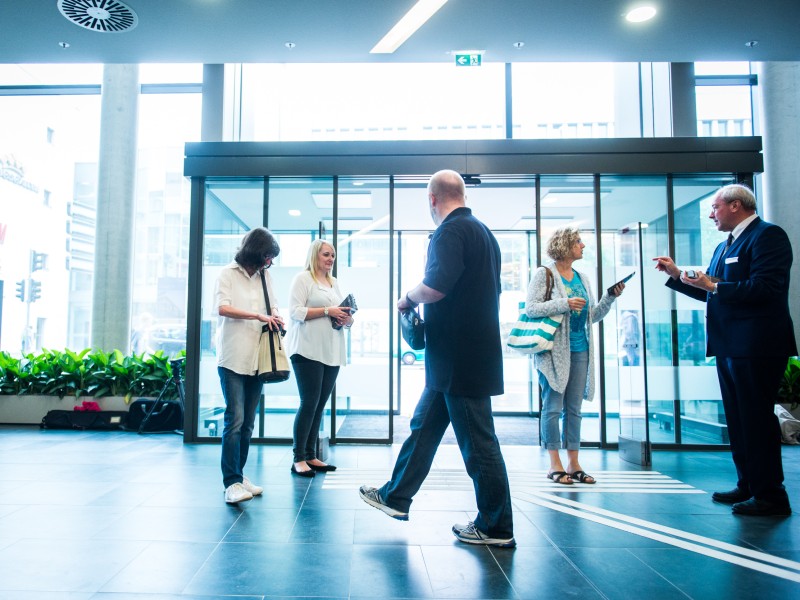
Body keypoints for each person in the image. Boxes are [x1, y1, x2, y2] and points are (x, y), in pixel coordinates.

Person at [359, 169, 515, 548]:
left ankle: (497, 526)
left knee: (479, 443)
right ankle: (396, 496)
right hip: (457, 358)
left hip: (459, 359)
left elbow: (436, 286)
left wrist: (407, 298)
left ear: (432, 199)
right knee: (424, 426)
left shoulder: (449, 231)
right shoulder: (483, 232)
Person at [654, 183, 796, 517]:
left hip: (757, 345)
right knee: (738, 419)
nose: (710, 213)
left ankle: (771, 496)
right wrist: (678, 276)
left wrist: (714, 284)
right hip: (729, 345)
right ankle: (748, 484)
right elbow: (713, 291)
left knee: (757, 419)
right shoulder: (724, 246)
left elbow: (765, 287)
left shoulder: (767, 236)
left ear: (735, 205)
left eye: (715, 207)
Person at [527, 226, 624, 485]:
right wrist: (565, 303)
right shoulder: (544, 274)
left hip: (581, 350)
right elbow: (532, 308)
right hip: (553, 353)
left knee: (574, 409)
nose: (583, 246)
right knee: (552, 407)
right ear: (566, 245)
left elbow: (591, 315)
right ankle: (554, 464)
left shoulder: (582, 277)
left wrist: (609, 298)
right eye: (579, 242)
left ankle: (573, 463)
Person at [215, 227, 284, 504]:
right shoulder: (227, 274)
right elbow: (223, 308)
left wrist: (275, 317)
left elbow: (274, 305)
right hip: (232, 357)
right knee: (235, 420)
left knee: (248, 424)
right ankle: (230, 483)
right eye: (268, 256)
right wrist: (258, 315)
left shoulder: (266, 276)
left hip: (258, 358)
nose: (269, 262)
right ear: (256, 252)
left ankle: (239, 475)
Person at [286, 240, 354, 477]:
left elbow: (339, 312)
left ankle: (311, 455)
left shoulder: (333, 282)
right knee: (309, 402)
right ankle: (298, 458)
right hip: (307, 350)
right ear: (315, 255)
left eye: (333, 255)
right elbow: (295, 312)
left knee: (320, 404)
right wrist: (328, 311)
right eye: (326, 254)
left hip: (331, 351)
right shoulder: (303, 279)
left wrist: (346, 318)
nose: (330, 259)